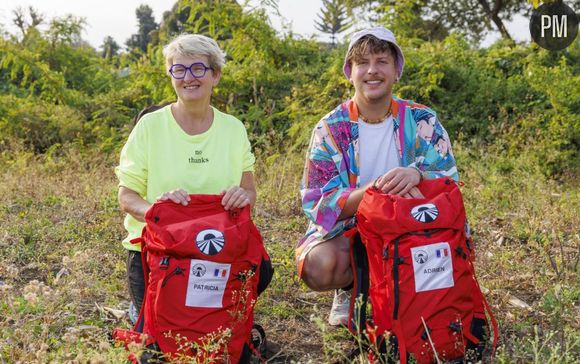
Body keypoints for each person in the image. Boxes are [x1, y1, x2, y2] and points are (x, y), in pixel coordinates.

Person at [296, 27, 459, 326]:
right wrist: (372, 191)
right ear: (350, 72)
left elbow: (450, 184)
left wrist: (418, 176)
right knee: (320, 266)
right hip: (351, 232)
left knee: (433, 292)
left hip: (410, 228)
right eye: (363, 62)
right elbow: (317, 203)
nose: (372, 71)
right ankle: (351, 287)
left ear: (397, 70)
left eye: (382, 61)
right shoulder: (331, 128)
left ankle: (410, 294)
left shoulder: (422, 120)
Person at [115, 34, 271, 328]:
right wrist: (157, 210)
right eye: (179, 69)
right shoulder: (150, 127)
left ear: (216, 75)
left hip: (215, 246)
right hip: (158, 250)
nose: (189, 78)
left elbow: (249, 190)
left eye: (198, 68)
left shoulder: (233, 129)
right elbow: (127, 196)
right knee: (157, 344)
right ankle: (144, 313)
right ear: (171, 75)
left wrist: (242, 196)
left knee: (261, 273)